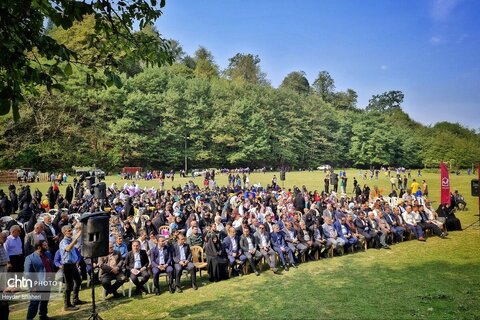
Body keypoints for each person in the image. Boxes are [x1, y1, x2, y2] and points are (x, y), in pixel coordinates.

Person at [24, 240, 54, 320]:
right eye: (44, 245)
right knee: (34, 303)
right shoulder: (30, 258)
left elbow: (51, 266)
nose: (46, 246)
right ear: (39, 247)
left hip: (47, 282)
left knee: (45, 300)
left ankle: (43, 316)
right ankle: (29, 318)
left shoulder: (48, 254)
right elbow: (28, 274)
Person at [59, 225, 84, 311]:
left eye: (71, 230)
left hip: (73, 264)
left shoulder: (70, 240)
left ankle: (75, 299)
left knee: (78, 280)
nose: (70, 232)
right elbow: (68, 248)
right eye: (68, 231)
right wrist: (75, 237)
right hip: (67, 266)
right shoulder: (63, 242)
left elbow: (77, 239)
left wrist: (80, 230)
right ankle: (67, 305)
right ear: (64, 232)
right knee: (68, 285)